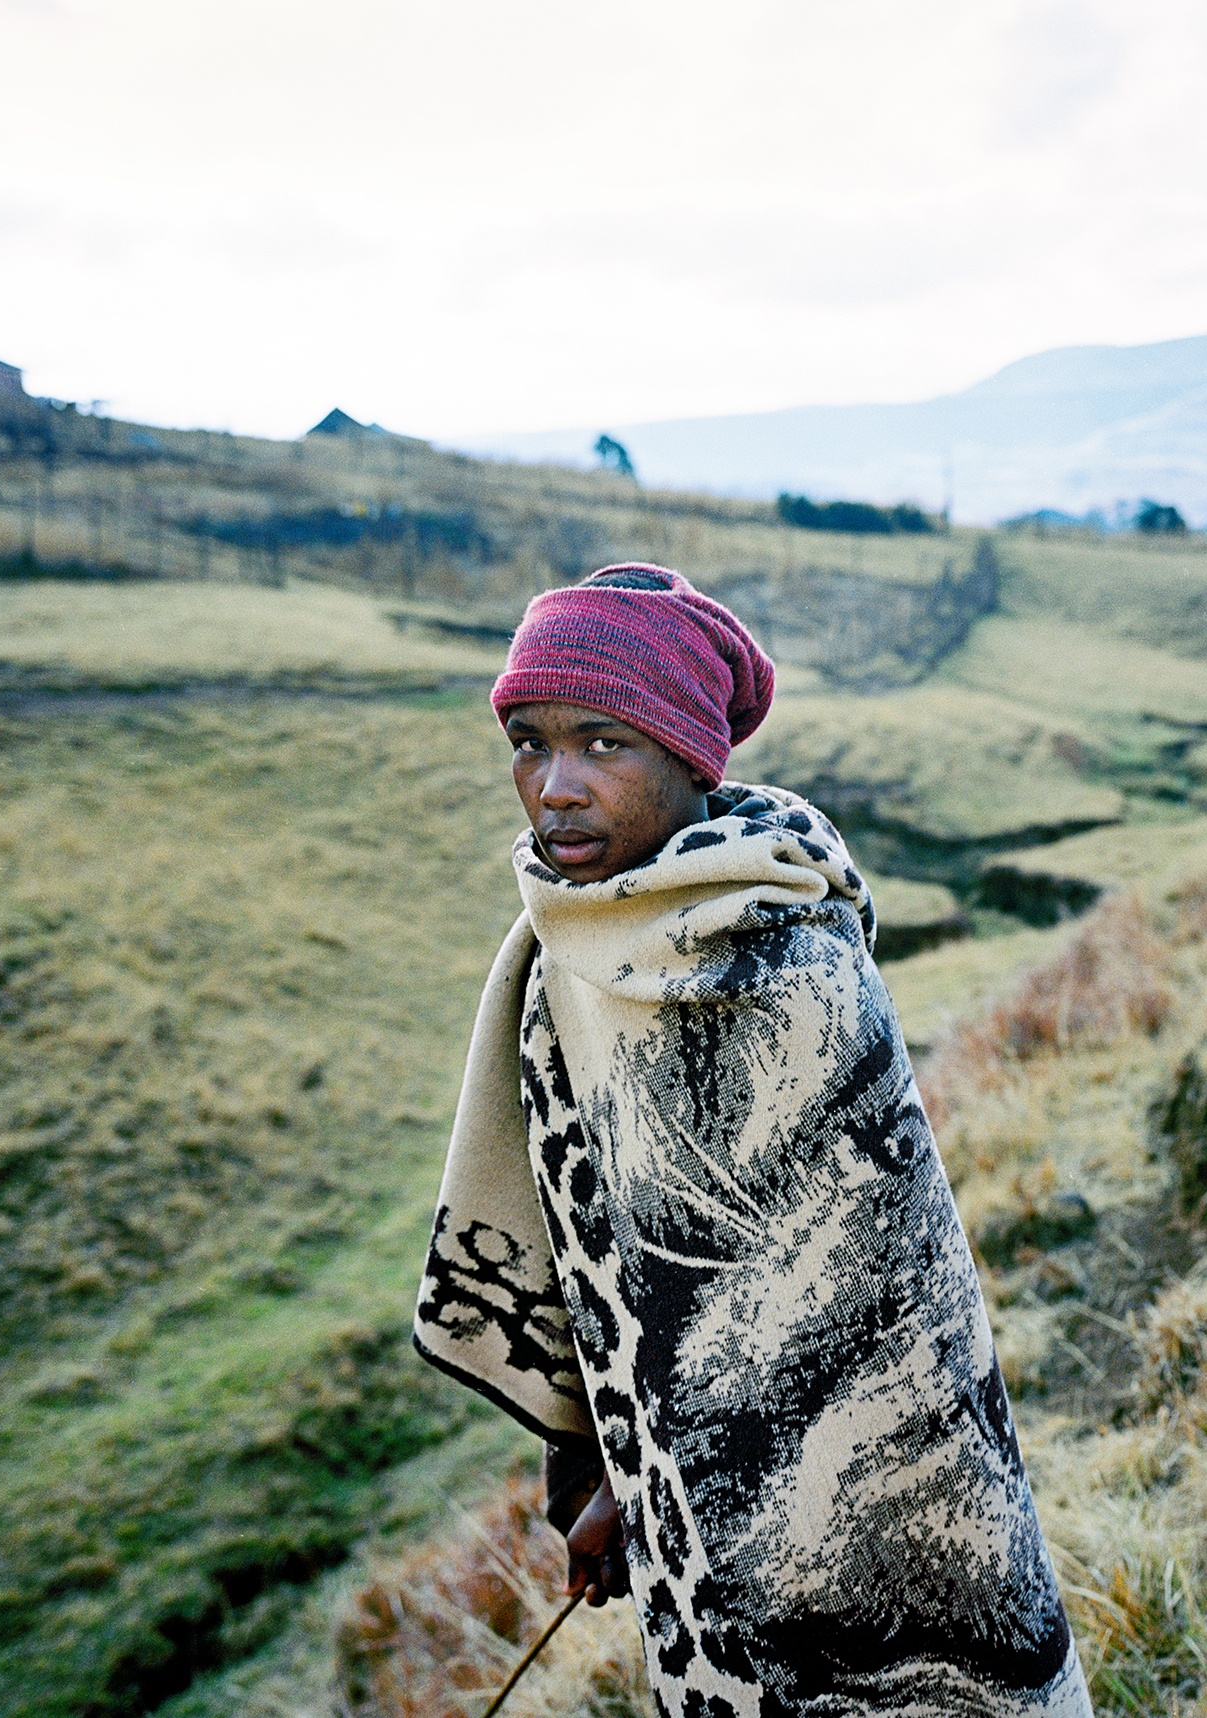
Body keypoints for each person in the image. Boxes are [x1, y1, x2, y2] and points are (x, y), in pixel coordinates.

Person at [414, 565, 1090, 1718]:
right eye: (529, 742)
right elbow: (602, 1256)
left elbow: (845, 1327)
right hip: (682, 1510)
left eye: (604, 744)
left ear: (690, 759)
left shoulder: (794, 976)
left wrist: (651, 1483)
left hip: (879, 1504)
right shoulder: (565, 954)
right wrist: (609, 1461)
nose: (556, 787)